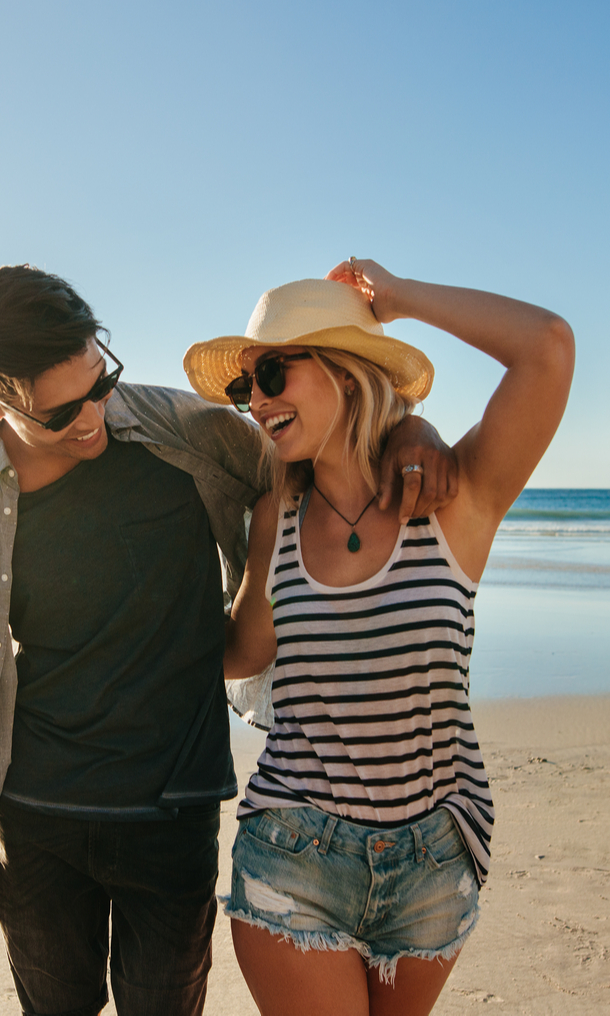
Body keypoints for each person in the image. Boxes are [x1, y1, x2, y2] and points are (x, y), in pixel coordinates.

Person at [0, 264, 458, 1016]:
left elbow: (311, 446)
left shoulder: (181, 434)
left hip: (174, 811)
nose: (92, 420)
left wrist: (409, 428)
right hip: (36, 819)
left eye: (99, 386)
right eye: (60, 412)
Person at [181, 260, 574, 1016]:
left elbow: (548, 348)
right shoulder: (277, 516)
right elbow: (246, 654)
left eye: (270, 373)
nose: (256, 402)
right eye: (245, 389)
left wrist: (395, 300)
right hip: (295, 850)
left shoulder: (458, 494)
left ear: (345, 369)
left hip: (432, 859)